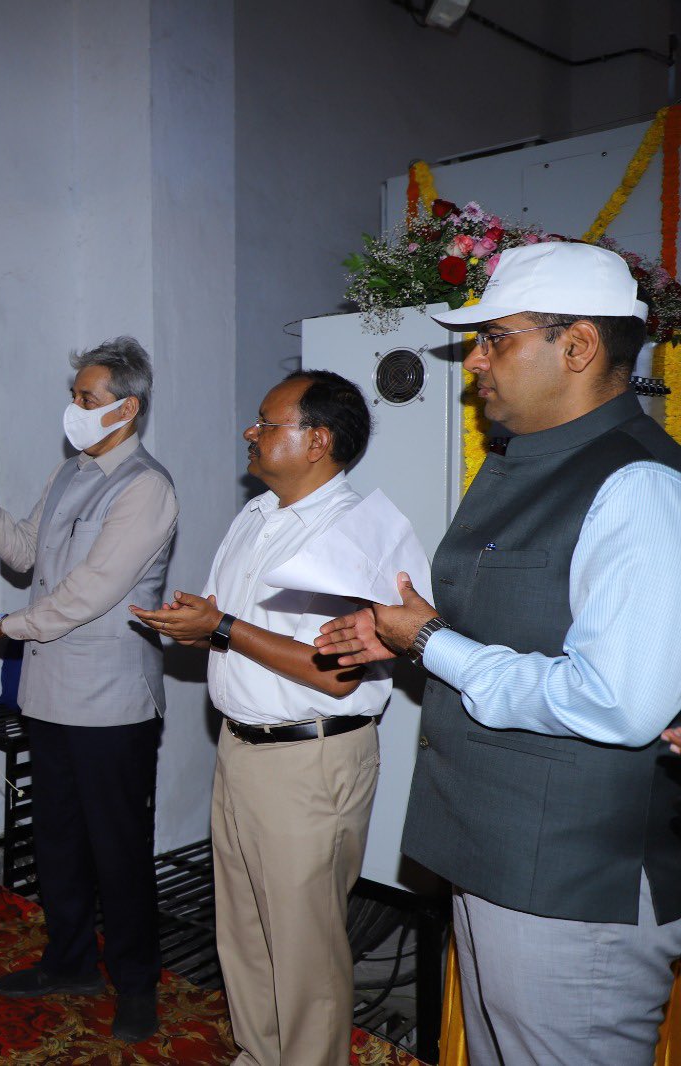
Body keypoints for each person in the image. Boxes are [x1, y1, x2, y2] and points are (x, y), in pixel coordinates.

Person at [317, 242, 681, 1066]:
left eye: (497, 339)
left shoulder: (638, 486)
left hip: (571, 883)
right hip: (499, 851)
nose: (475, 362)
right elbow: (528, 620)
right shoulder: (529, 464)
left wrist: (434, 642)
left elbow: (617, 702)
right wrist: (407, 636)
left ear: (579, 347)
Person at [134, 370, 392, 1066]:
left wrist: (222, 626)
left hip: (311, 760)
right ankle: (258, 1053)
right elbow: (235, 629)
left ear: (317, 441)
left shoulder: (355, 533)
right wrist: (198, 627)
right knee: (245, 930)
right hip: (243, 751)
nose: (251, 432)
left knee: (304, 947)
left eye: (266, 423)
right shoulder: (256, 517)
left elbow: (333, 674)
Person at [0, 336, 177, 1044]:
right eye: (74, 396)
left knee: (117, 851)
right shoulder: (73, 472)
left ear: (126, 408)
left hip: (110, 705)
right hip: (48, 697)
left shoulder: (145, 486)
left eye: (86, 398)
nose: (73, 409)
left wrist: (8, 626)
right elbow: (23, 552)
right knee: (57, 845)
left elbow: (89, 592)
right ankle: (70, 959)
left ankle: (137, 985)